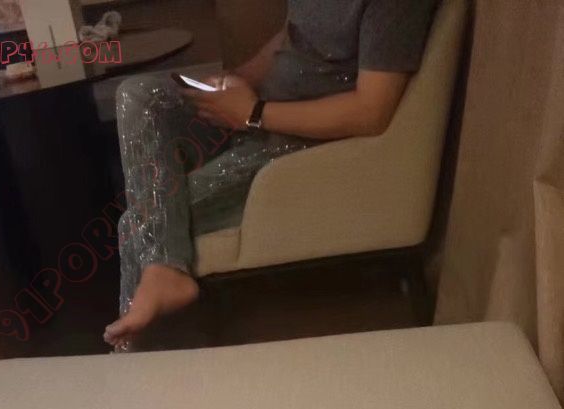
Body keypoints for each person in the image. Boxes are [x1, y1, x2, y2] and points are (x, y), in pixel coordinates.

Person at [103, 0, 439, 348]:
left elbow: (372, 112)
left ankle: (140, 352)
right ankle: (162, 275)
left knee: (141, 222)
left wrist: (253, 113)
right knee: (138, 95)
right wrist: (235, 81)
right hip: (255, 115)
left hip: (300, 147)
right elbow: (291, 37)